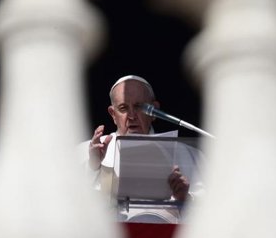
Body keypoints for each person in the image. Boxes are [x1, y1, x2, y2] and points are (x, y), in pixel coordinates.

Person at [81, 75, 193, 223]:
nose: (132, 116)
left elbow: (213, 208)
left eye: (139, 107)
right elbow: (66, 203)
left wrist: (185, 199)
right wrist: (93, 166)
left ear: (154, 111)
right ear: (113, 114)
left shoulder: (186, 153)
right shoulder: (85, 151)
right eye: (123, 108)